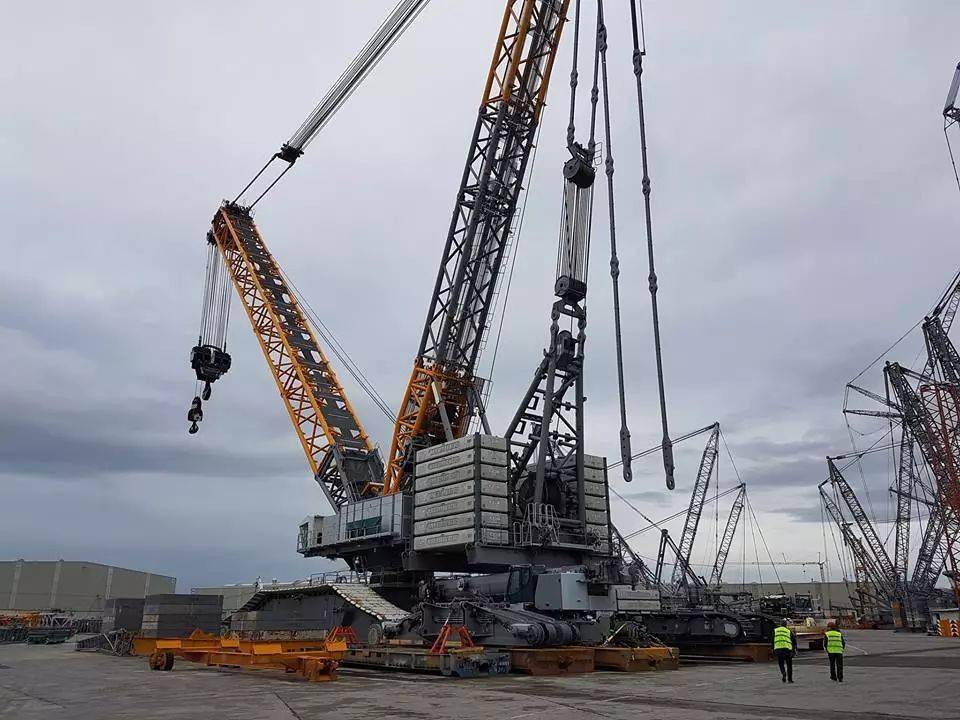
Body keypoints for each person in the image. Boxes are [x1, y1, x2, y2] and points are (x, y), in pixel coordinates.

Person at [773, 618, 797, 683]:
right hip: (787, 649)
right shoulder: (788, 631)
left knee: (781, 663)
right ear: (786, 625)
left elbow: (772, 640)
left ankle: (783, 673)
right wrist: (794, 650)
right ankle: (790, 679)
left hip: (778, 649)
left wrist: (773, 649)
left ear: (780, 624)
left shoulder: (775, 630)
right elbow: (794, 641)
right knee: (789, 665)